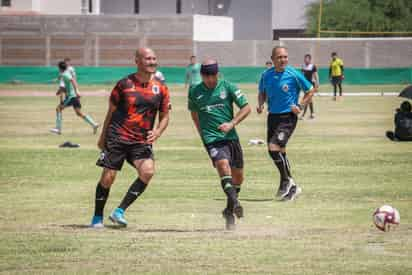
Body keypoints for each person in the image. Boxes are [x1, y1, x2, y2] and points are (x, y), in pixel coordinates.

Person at [90, 47, 170, 228]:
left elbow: (165, 116)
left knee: (148, 172)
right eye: (148, 59)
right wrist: (103, 137)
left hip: (140, 141)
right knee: (108, 177)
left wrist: (157, 132)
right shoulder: (124, 84)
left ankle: (119, 211)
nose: (152, 62)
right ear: (137, 61)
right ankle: (97, 218)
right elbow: (110, 112)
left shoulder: (161, 88)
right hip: (118, 136)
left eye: (154, 58)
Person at [188, 59, 251, 230]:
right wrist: (203, 137)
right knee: (223, 166)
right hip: (212, 139)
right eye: (207, 76)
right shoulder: (194, 91)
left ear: (218, 74)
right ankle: (236, 203)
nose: (210, 79)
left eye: (213, 75)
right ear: (202, 75)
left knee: (238, 178)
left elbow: (246, 108)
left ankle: (229, 210)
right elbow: (194, 115)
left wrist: (232, 123)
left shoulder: (228, 86)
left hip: (231, 137)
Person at [257, 46, 316, 201]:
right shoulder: (266, 75)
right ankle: (293, 187)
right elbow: (262, 92)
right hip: (272, 117)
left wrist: (301, 106)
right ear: (273, 59)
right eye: (279, 57)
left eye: (285, 57)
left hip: (288, 117)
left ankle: (286, 180)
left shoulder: (293, 74)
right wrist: (261, 104)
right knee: (279, 151)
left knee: (273, 147)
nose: (283, 60)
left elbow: (310, 90)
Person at [50, 61, 99, 135]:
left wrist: (77, 91)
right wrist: (56, 79)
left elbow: (72, 81)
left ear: (60, 68)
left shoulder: (65, 75)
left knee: (58, 109)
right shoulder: (65, 73)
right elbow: (62, 77)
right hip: (74, 97)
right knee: (79, 113)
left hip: (71, 96)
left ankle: (58, 129)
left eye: (58, 67)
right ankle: (94, 124)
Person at [301, 54, 319, 119]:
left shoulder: (313, 66)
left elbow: (316, 76)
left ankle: (303, 115)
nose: (306, 60)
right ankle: (312, 114)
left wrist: (317, 84)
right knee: (309, 100)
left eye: (307, 58)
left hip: (311, 85)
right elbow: (302, 76)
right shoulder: (303, 66)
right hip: (305, 85)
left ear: (310, 59)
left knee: (307, 99)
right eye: (305, 58)